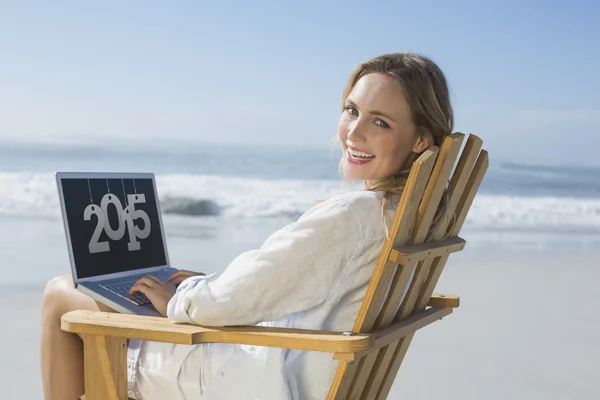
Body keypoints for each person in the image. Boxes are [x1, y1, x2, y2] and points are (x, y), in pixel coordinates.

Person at [40, 51, 454, 400]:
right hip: (286, 365)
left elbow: (224, 303)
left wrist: (182, 299)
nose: (354, 131)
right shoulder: (401, 216)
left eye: (380, 122)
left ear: (420, 140)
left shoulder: (353, 215)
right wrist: (201, 284)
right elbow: (277, 285)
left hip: (250, 381)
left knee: (61, 294)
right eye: (351, 110)